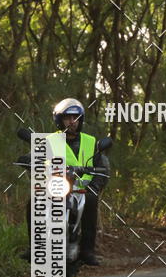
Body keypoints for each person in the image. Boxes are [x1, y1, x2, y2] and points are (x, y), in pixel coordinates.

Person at [22, 98, 109, 264]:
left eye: (75, 118)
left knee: (91, 200)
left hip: (81, 188)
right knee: (34, 201)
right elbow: (35, 156)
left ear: (80, 120)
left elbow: (102, 165)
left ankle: (87, 250)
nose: (72, 121)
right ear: (59, 120)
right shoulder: (49, 140)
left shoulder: (91, 142)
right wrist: (28, 161)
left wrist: (95, 185)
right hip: (55, 187)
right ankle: (35, 246)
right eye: (67, 117)